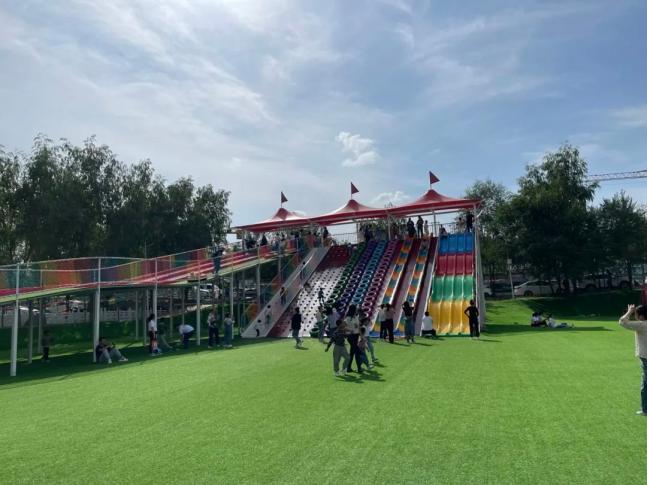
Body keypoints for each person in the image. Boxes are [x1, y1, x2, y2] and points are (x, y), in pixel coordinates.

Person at [618, 304, 647, 416]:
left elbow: (622, 322)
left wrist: (629, 311)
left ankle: (645, 409)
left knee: (645, 384)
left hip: (645, 357)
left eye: (636, 314)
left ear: (641, 316)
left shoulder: (641, 325)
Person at [345, 305, 362, 373]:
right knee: (357, 351)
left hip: (356, 335)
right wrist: (350, 330)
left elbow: (358, 326)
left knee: (352, 352)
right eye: (356, 309)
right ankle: (359, 368)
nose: (356, 310)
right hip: (351, 336)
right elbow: (344, 327)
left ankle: (349, 368)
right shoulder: (348, 318)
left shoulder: (356, 317)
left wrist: (361, 335)